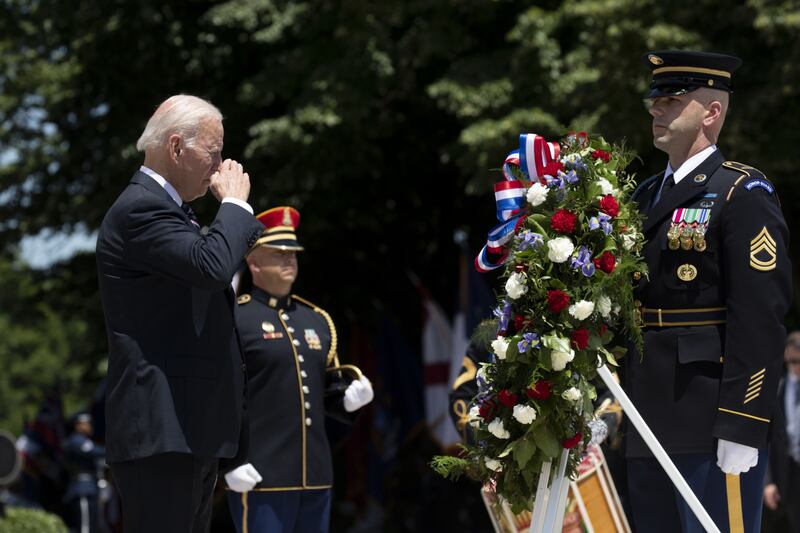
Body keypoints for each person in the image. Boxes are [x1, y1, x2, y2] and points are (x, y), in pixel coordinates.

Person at [624, 50, 792, 533]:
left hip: (709, 418)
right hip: (646, 414)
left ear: (711, 113)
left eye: (672, 100)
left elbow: (760, 317)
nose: (655, 109)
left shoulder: (742, 193)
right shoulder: (643, 195)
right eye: (654, 99)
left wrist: (743, 420)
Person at [95, 94, 264, 533]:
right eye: (214, 151)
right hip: (162, 428)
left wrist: (237, 218)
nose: (221, 164)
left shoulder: (170, 212)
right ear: (176, 148)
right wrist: (234, 205)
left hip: (187, 426)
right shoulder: (141, 208)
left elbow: (216, 256)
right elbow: (211, 266)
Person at [225, 206, 374, 533]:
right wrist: (231, 461)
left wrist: (349, 400)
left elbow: (326, 392)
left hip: (316, 474)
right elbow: (223, 397)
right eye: (278, 253)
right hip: (260, 475)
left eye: (292, 253)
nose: (289, 259)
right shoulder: (236, 319)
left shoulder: (316, 320)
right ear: (253, 262)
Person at [763, 332, 800, 532]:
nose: (796, 367)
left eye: (799, 361)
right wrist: (767, 482)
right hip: (788, 475)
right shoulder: (778, 389)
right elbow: (767, 439)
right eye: (792, 361)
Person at [62, 412, 105, 533]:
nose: (89, 426)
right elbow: (96, 452)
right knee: (85, 529)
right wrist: (114, 450)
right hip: (82, 488)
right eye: (86, 423)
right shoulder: (76, 440)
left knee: (92, 527)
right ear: (77, 425)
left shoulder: (85, 440)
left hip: (90, 488)